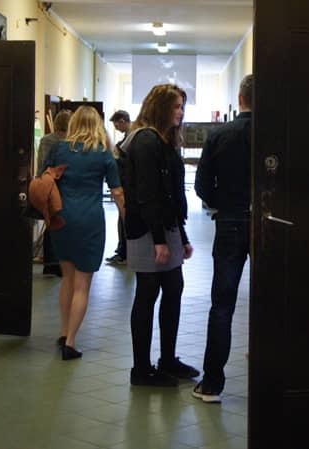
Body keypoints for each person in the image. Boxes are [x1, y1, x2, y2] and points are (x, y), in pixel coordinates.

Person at [122, 84, 199, 386]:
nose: (180, 112)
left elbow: (170, 194)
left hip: (166, 228)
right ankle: (141, 369)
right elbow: (148, 194)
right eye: (176, 106)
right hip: (148, 230)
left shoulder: (162, 140)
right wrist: (158, 240)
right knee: (147, 293)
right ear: (161, 107)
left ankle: (167, 359)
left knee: (173, 288)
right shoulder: (145, 140)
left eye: (182, 106)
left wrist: (182, 236)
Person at [43, 106, 124, 360]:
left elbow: (44, 178)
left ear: (74, 123)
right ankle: (71, 342)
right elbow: (117, 192)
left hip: (61, 219)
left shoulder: (58, 149)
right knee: (82, 285)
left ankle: (63, 332)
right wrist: (127, 219)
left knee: (67, 278)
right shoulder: (103, 154)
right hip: (90, 219)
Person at [192, 74, 253, 403]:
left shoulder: (219, 135)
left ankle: (212, 383)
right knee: (271, 301)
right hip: (268, 224)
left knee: (222, 304)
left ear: (239, 99)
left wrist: (224, 204)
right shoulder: (277, 133)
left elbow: (202, 186)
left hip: (229, 222)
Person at [37, 109, 71, 277]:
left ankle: (50, 264)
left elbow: (42, 165)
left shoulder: (46, 140)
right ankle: (63, 262)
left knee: (50, 224)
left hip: (49, 185)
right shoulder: (71, 143)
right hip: (65, 188)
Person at [106, 110, 131, 265]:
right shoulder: (127, 138)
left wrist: (116, 154)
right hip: (125, 183)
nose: (116, 128)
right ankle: (122, 250)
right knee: (122, 219)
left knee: (124, 219)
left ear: (122, 121)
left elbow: (127, 161)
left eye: (116, 125)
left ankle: (124, 253)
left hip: (126, 184)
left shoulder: (131, 138)